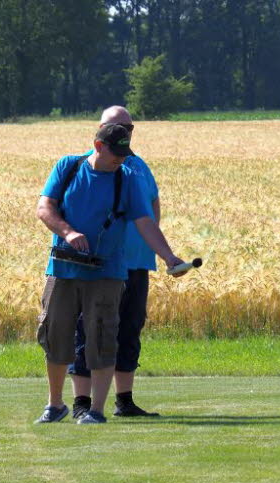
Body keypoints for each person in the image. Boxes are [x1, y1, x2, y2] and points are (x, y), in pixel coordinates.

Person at [34, 123, 185, 424]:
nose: (120, 160)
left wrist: (168, 257)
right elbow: (45, 207)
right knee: (55, 335)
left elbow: (145, 222)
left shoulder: (127, 178)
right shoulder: (69, 166)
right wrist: (68, 232)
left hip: (108, 272)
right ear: (98, 146)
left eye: (124, 153)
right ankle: (55, 405)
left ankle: (96, 411)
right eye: (115, 153)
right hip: (64, 269)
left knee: (103, 337)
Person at [68, 106, 161, 419]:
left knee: (130, 329)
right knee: (88, 330)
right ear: (100, 130)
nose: (125, 132)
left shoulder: (140, 166)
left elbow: (152, 204)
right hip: (100, 265)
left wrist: (156, 245)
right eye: (117, 126)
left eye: (129, 127)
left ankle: (125, 400)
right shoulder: (85, 165)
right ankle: (82, 403)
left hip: (136, 262)